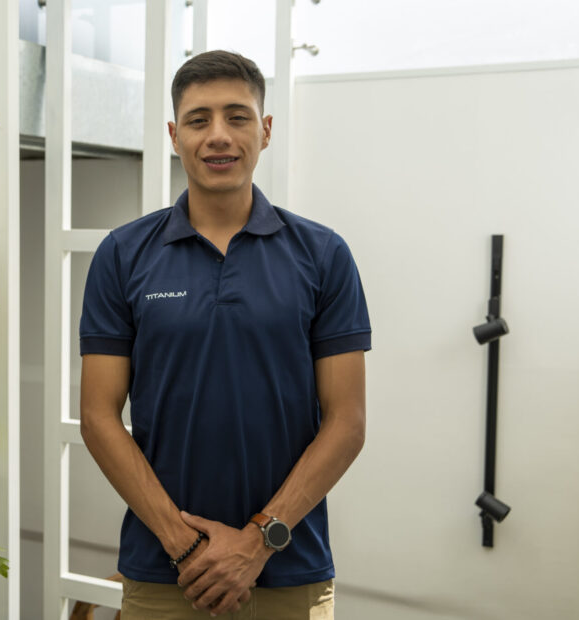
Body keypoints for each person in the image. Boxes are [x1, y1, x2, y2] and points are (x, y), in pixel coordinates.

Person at [79, 50, 371, 619]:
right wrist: (188, 547)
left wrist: (258, 542)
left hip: (290, 574)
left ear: (264, 131)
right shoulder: (122, 254)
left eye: (237, 117)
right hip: (166, 575)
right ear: (173, 135)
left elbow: (348, 422)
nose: (219, 136)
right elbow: (98, 417)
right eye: (198, 119)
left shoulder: (323, 254)